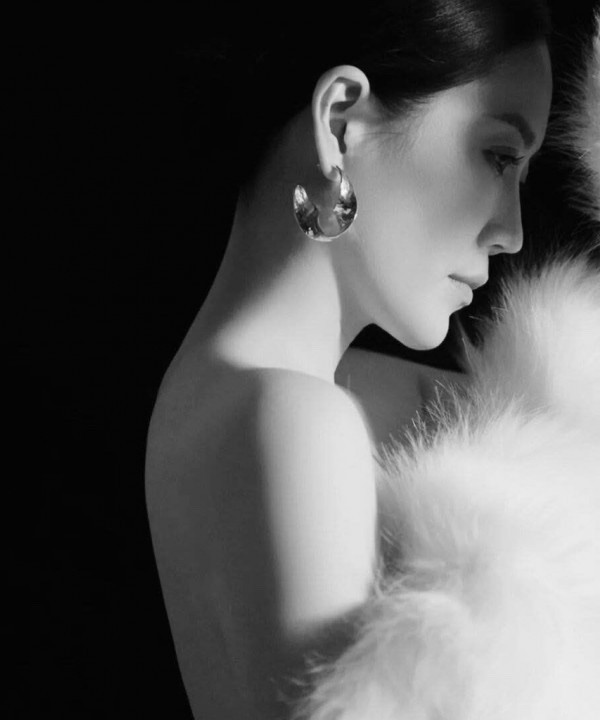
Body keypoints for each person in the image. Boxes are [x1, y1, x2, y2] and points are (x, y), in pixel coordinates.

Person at [145, 2, 553, 718]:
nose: (512, 232)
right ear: (340, 123)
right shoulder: (298, 418)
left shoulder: (212, 396)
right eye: (498, 156)